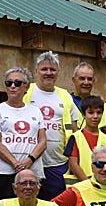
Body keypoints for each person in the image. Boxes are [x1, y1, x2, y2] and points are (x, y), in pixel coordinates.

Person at [25, 51, 79, 198]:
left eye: (52, 69)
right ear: (36, 72)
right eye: (44, 69)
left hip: (58, 163)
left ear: (58, 73)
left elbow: (75, 131)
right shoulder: (25, 91)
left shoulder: (65, 96)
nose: (48, 73)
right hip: (29, 162)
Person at [0, 66, 46, 193]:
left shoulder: (36, 111)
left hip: (32, 172)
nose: (12, 86)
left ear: (26, 87)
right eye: (9, 83)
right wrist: (16, 164)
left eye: (17, 83)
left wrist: (29, 160)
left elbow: (42, 142)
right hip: (3, 172)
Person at [63, 95, 106, 188]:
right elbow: (73, 165)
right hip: (80, 187)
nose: (95, 116)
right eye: (90, 113)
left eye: (99, 113)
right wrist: (89, 184)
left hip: (103, 187)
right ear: (83, 114)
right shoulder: (75, 137)